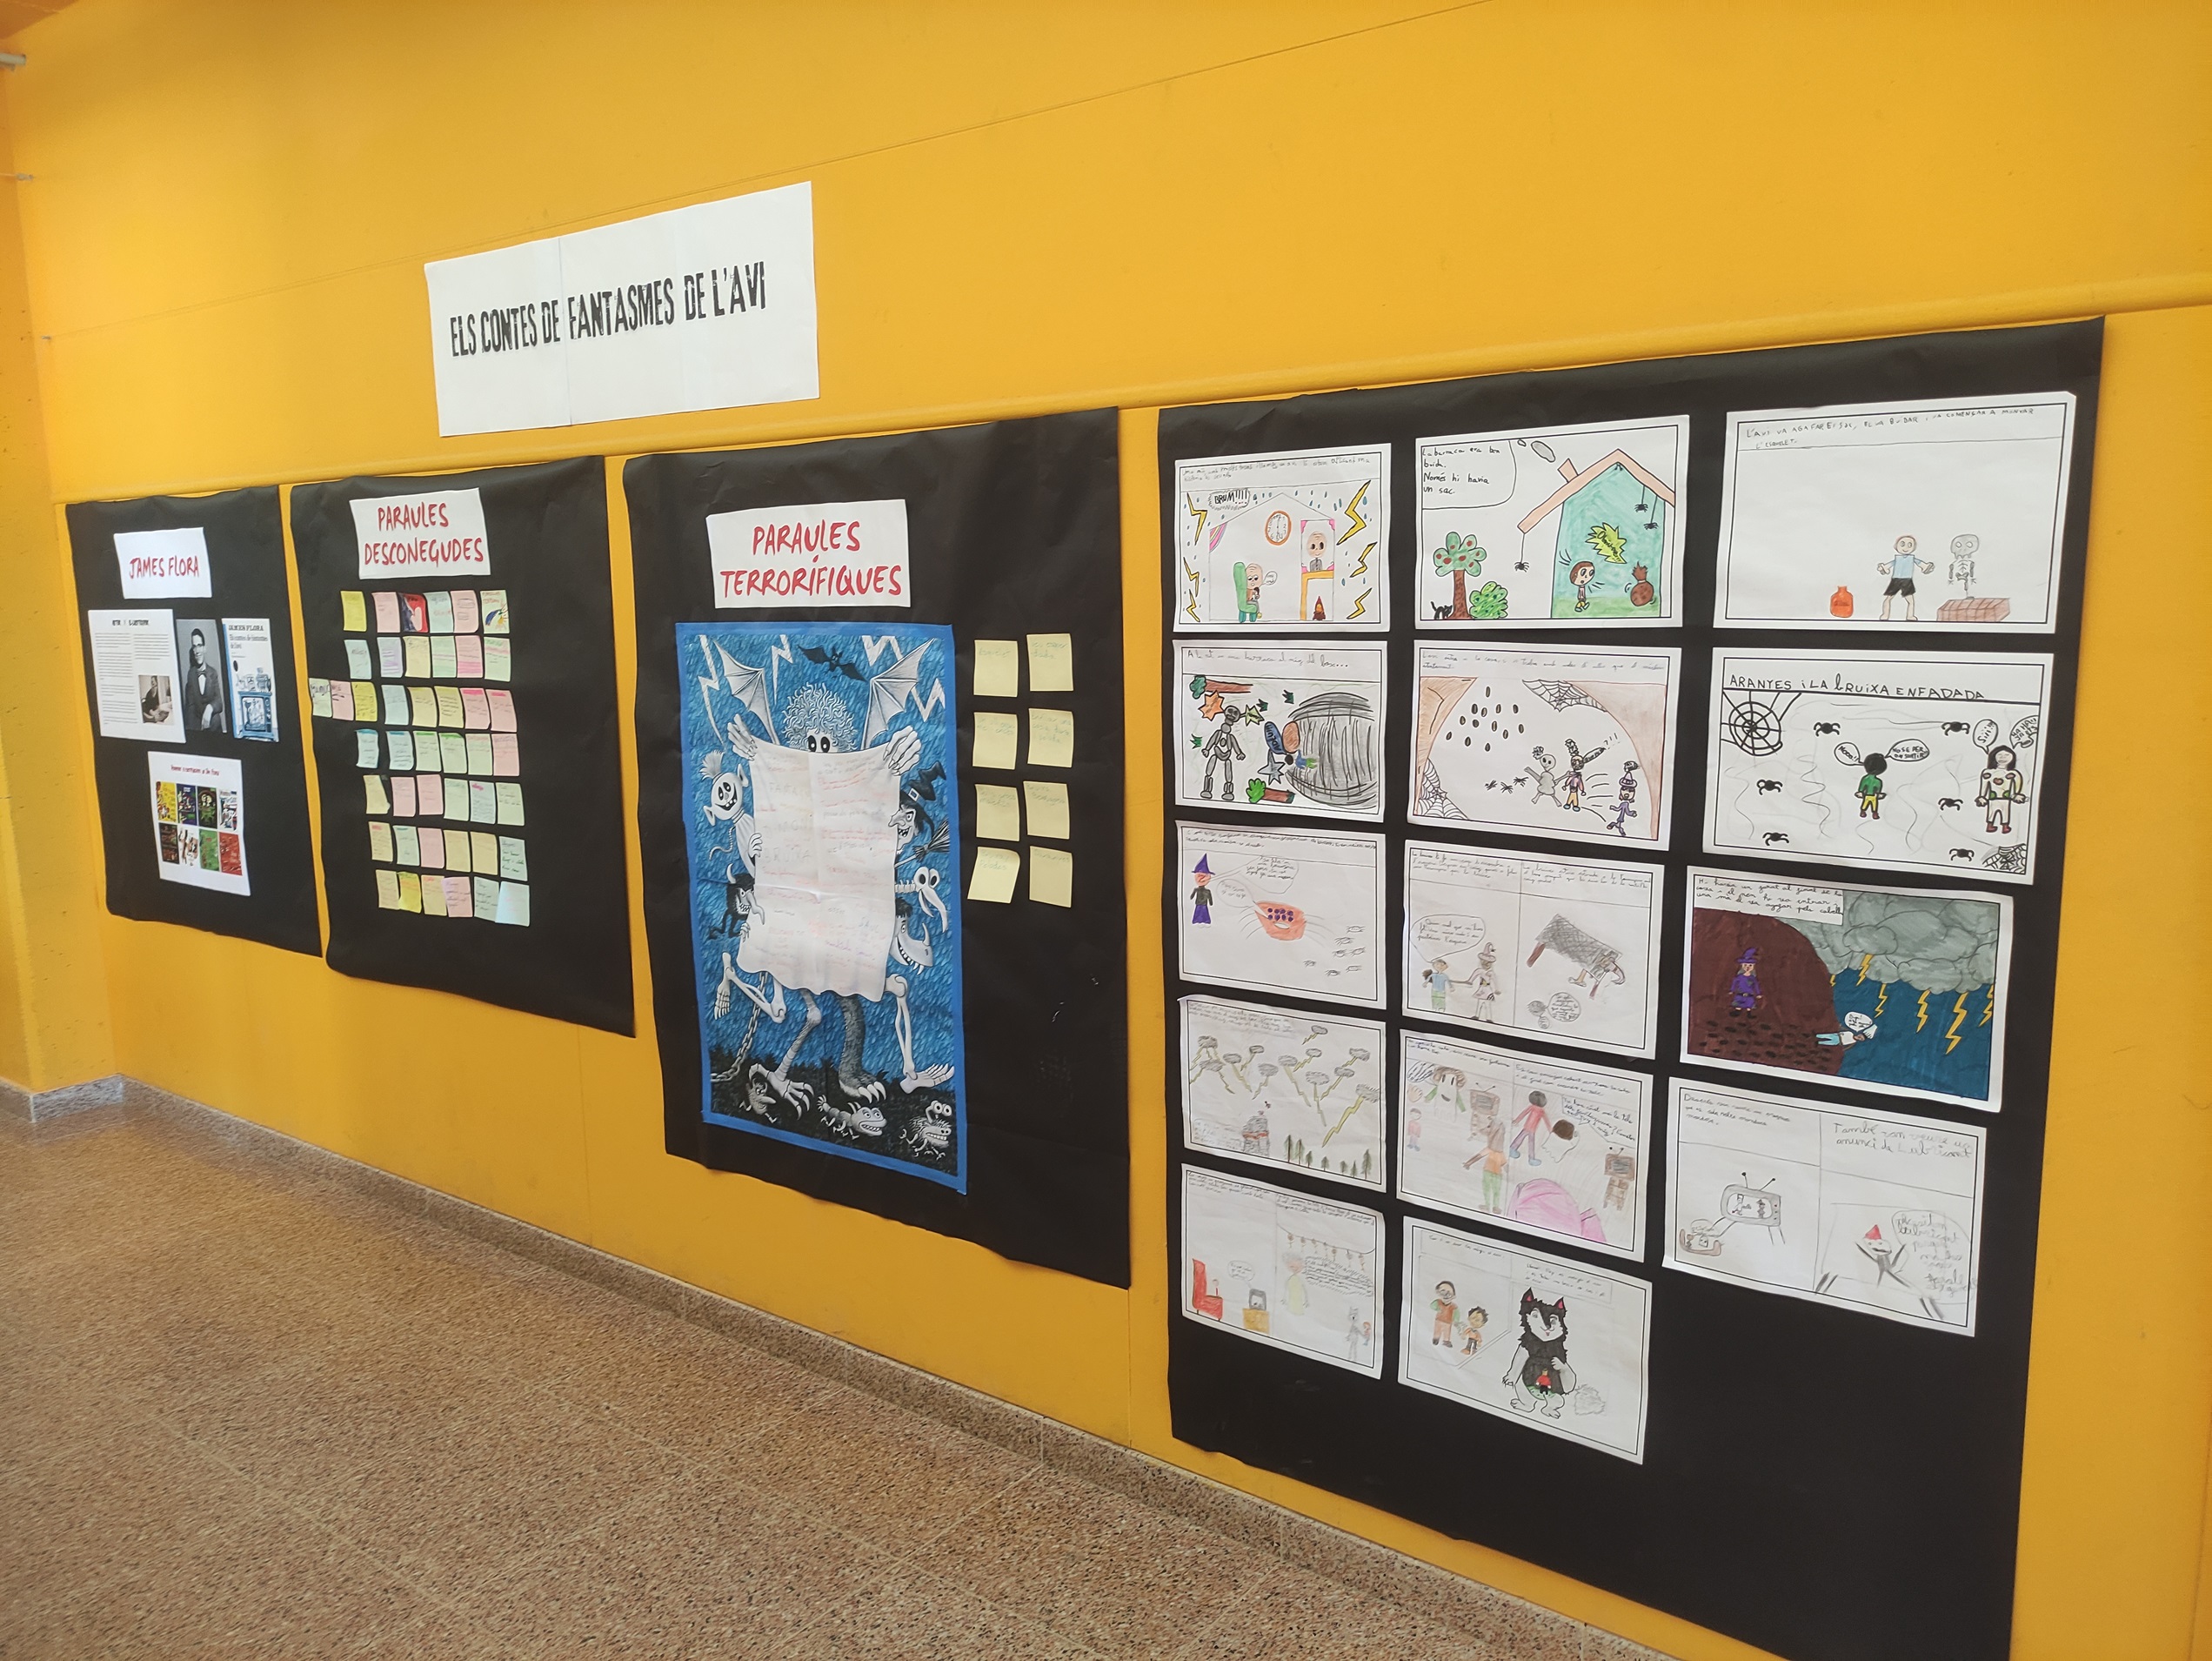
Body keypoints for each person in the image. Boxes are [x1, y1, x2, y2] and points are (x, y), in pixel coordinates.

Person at [1877, 535, 1934, 621]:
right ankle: (1885, 614)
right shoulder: (1897, 559)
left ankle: (1910, 616)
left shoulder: (1912, 558)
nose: (1906, 548)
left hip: (1907, 581)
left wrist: (1925, 566)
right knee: (1889, 598)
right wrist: (1884, 568)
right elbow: (1889, 565)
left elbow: (1921, 564)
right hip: (1896, 580)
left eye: (1910, 545)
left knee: (1910, 601)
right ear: (1896, 546)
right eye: (1902, 544)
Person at [181, 629, 224, 733]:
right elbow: (190, 707)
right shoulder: (191, 674)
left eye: (200, 645)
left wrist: (209, 708)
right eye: (194, 646)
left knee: (216, 719)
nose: (197, 650)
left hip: (213, 724)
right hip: (197, 725)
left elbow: (219, 702)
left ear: (204, 648)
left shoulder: (212, 673)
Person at [1977, 744, 2026, 834]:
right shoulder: (1988, 772)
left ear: (2012, 757)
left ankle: (2005, 827)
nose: (2003, 758)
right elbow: (1984, 785)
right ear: (1994, 757)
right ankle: (1990, 825)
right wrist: (1982, 796)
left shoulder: (2013, 773)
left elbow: (2018, 783)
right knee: (1991, 812)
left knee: (2005, 812)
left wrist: (2017, 794)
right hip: (1992, 798)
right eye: (1999, 755)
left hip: (2006, 798)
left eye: (2007, 755)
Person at [1509, 1090, 1552, 1166]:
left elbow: (1524, 1113)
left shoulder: (1535, 1108)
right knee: (1530, 1143)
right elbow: (1546, 1120)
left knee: (1521, 1138)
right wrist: (1550, 1129)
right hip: (1531, 1128)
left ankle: (1513, 1149)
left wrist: (1517, 1120)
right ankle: (1531, 1159)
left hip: (1529, 1127)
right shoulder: (1540, 1110)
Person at [1856, 752, 1888, 819]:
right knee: (1871, 804)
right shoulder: (1878, 781)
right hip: (1872, 796)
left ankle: (1865, 812)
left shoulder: (1866, 779)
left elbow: (1862, 787)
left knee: (1868, 804)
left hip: (1869, 795)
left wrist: (1861, 791)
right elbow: (1878, 790)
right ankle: (1872, 813)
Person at [1430, 1280, 1458, 1346]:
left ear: (1454, 1295)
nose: (1446, 1295)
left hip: (1448, 1322)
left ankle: (1446, 1341)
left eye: (1449, 1292)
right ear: (1438, 1293)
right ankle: (1436, 1338)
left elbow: (1456, 1314)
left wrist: (1456, 1320)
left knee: (1447, 1332)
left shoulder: (1453, 1306)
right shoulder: (1438, 1302)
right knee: (1437, 1330)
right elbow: (1432, 1306)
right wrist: (1437, 1308)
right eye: (1443, 1292)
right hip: (1439, 1320)